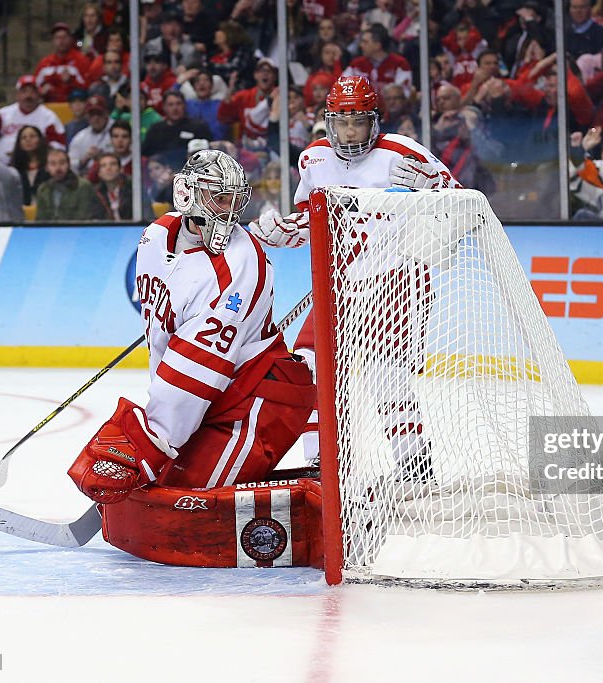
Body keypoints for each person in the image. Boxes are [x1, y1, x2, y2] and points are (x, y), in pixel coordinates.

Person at [67, 149, 316, 564]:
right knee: (153, 483)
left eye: (236, 199)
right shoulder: (155, 237)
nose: (231, 210)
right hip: (209, 394)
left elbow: (194, 371)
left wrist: (154, 440)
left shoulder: (241, 264)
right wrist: (157, 439)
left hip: (256, 400)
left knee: (178, 501)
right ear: (188, 195)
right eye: (220, 198)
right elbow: (164, 340)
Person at [249, 74, 462, 471]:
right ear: (328, 121)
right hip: (339, 283)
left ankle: (413, 461)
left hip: (398, 277)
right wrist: (285, 233)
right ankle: (323, 461)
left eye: (358, 121)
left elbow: (464, 208)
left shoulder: (402, 152)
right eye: (341, 122)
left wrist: (436, 186)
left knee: (386, 373)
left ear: (375, 121)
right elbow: (314, 220)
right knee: (310, 366)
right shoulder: (314, 159)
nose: (349, 131)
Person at [0, 76, 66, 165]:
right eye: (24, 91)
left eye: (32, 92)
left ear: (38, 95)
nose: (28, 96)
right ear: (17, 94)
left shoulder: (49, 117)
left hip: (36, 167)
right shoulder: (3, 114)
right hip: (4, 166)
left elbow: (58, 146)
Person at [35, 148, 103, 221]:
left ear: (69, 165)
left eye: (62, 163)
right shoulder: (43, 190)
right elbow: (40, 220)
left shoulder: (83, 186)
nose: (58, 168)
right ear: (47, 168)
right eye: (53, 164)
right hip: (50, 231)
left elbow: (85, 218)